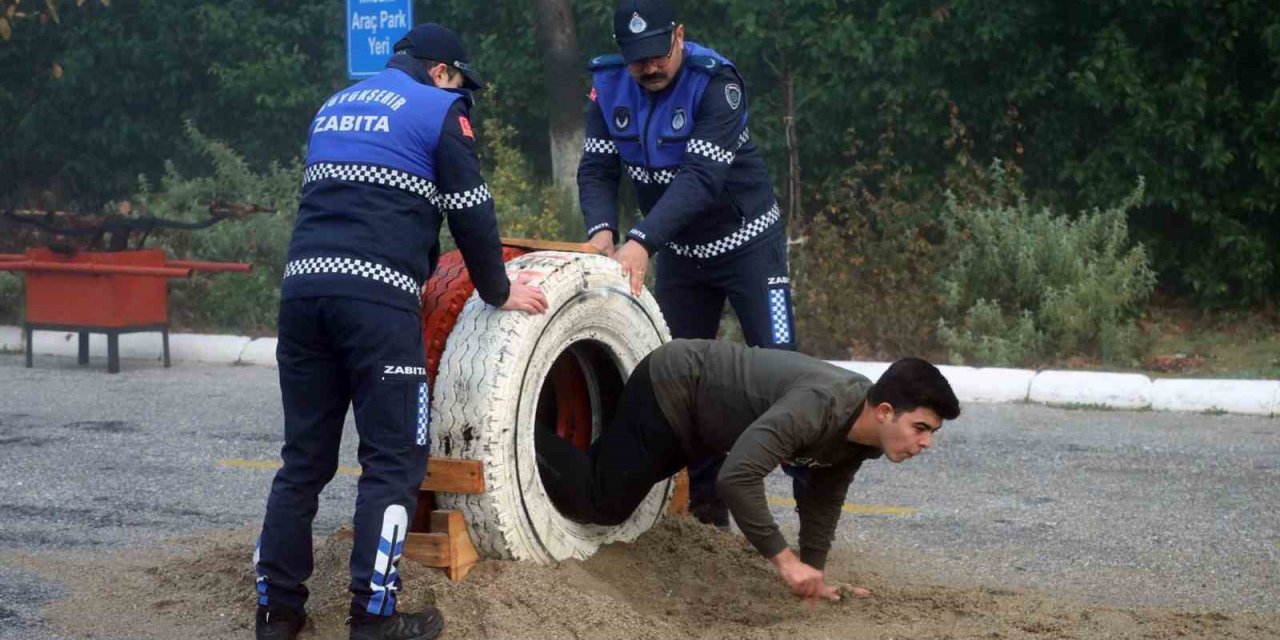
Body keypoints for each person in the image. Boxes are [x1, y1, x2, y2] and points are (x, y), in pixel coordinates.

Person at [252, 24, 548, 640]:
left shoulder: (334, 105)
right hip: (376, 304)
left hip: (302, 296)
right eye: (461, 81)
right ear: (442, 71)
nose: (462, 92)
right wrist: (498, 290)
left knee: (302, 463)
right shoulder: (441, 110)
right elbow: (471, 208)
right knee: (392, 461)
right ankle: (375, 619)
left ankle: (277, 615)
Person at [577, 0, 799, 530]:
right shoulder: (607, 86)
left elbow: (701, 179)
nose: (648, 68)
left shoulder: (716, 83)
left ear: (679, 36)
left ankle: (812, 515)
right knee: (682, 379)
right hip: (682, 256)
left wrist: (641, 241)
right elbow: (597, 168)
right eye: (636, 59)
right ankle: (706, 514)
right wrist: (602, 232)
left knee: (786, 375)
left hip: (749, 246)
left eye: (656, 54)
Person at [537, 339, 961, 600]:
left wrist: (813, 573)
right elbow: (737, 477)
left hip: (701, 426)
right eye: (920, 428)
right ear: (886, 412)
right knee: (604, 501)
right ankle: (515, 432)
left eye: (932, 432)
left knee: (616, 478)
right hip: (673, 387)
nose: (926, 443)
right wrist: (784, 560)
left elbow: (823, 497)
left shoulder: (862, 438)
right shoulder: (820, 406)